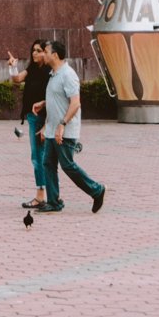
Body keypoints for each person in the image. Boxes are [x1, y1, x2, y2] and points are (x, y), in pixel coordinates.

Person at [39, 38, 105, 213]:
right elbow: (58, 99)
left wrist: (62, 124)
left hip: (64, 131)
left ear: (55, 55)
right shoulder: (54, 74)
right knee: (48, 164)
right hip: (53, 130)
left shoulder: (68, 75)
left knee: (68, 165)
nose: (42, 55)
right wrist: (44, 104)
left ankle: (96, 190)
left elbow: (75, 103)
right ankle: (54, 202)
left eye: (45, 52)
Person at [15, 39, 52, 211]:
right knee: (39, 156)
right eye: (33, 50)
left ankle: (41, 196)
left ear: (46, 52)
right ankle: (47, 194)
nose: (35, 53)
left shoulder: (49, 72)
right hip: (31, 117)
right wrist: (12, 66)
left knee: (38, 157)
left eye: (38, 50)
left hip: (41, 118)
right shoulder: (31, 69)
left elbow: (53, 99)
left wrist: (46, 125)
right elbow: (16, 79)